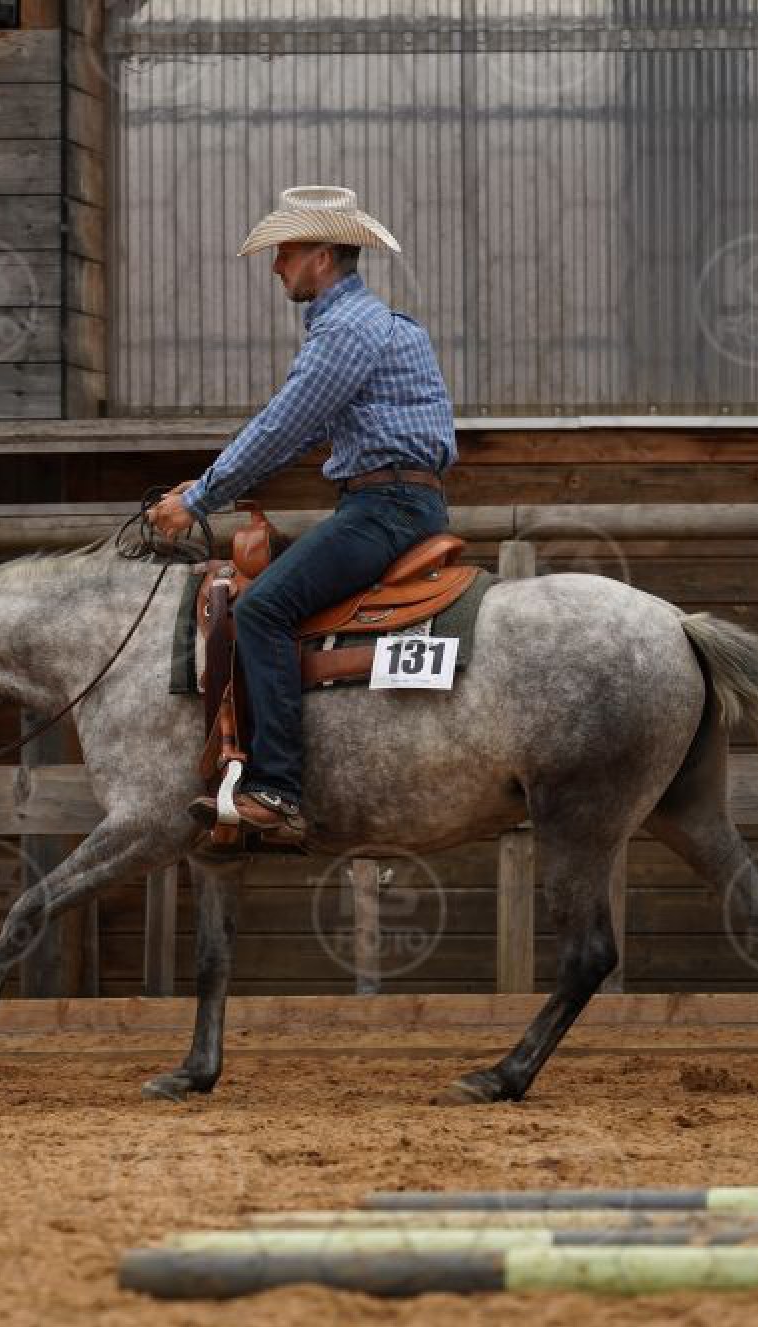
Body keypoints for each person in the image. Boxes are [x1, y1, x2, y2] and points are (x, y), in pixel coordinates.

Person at [148, 185, 458, 845]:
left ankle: (278, 788)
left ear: (321, 256)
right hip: (402, 500)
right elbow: (300, 429)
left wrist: (198, 499)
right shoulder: (380, 323)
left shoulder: (345, 330)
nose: (275, 267)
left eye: (284, 253)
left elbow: (281, 427)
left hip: (385, 508)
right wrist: (209, 482)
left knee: (263, 609)